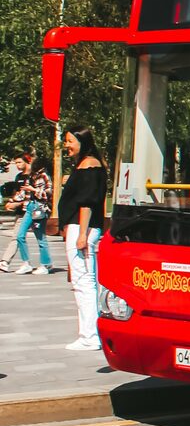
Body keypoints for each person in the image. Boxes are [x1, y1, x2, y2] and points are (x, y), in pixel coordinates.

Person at [60, 125, 107, 352]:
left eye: (70, 141)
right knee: (86, 281)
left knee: (83, 281)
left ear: (82, 141)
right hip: (82, 228)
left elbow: (87, 202)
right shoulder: (86, 165)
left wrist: (81, 234)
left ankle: (89, 335)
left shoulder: (89, 166)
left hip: (83, 229)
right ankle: (89, 332)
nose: (66, 145)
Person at [7, 160, 52, 274]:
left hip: (40, 208)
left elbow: (48, 193)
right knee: (20, 235)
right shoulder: (30, 177)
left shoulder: (44, 176)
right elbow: (23, 193)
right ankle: (26, 263)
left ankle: (45, 264)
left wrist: (34, 190)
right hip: (29, 207)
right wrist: (12, 201)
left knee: (40, 238)